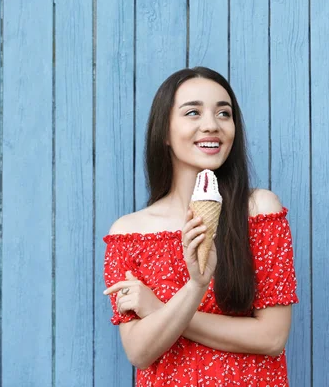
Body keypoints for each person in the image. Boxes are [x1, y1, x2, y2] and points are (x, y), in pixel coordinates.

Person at [102, 66, 298, 386]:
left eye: (224, 113)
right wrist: (195, 287)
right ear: (164, 132)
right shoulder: (128, 234)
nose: (211, 125)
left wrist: (160, 310)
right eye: (192, 112)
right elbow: (139, 351)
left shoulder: (259, 210)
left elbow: (272, 336)